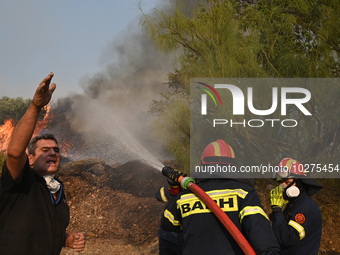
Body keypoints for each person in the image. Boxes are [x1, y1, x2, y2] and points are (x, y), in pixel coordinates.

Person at [0, 73, 85, 254]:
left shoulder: (56, 188)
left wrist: (66, 239)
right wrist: (35, 106)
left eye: (56, 150)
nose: (53, 153)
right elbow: (14, 153)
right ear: (30, 159)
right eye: (45, 150)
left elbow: (47, 227)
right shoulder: (21, 181)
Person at [161, 139, 281, 255]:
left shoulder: (185, 197)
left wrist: (174, 192)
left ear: (203, 163)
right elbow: (262, 238)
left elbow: (168, 224)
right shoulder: (243, 193)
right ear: (232, 165)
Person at [270, 158, 323, 255]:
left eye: (287, 182)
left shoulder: (305, 208)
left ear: (299, 182)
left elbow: (287, 239)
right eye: (281, 183)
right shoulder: (294, 204)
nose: (283, 187)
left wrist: (277, 210)